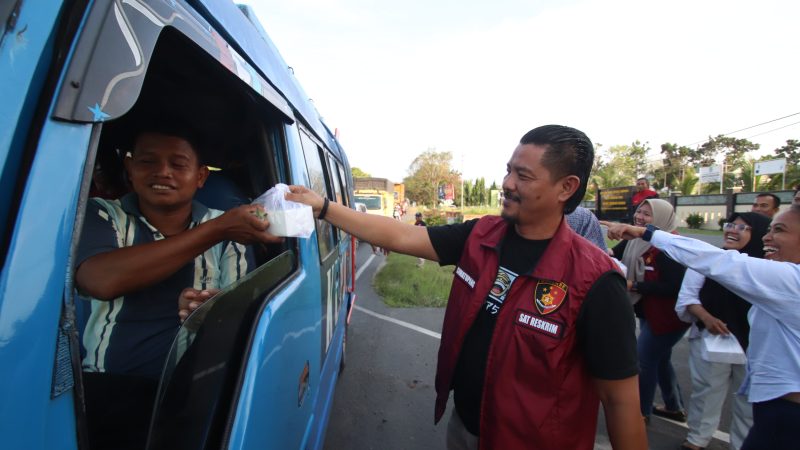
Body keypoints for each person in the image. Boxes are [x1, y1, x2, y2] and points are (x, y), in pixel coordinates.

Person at [287, 125, 647, 450]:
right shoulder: (480, 235)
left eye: (523, 175)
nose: (507, 183)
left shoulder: (595, 282)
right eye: (508, 170)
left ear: (566, 187)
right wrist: (322, 207)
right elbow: (399, 234)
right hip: (464, 430)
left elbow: (620, 402)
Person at [75, 123, 280, 450]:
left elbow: (241, 315)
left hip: (195, 387)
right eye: (147, 162)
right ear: (129, 168)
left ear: (201, 176)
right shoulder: (103, 215)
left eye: (178, 164)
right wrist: (217, 229)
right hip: (108, 384)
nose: (163, 172)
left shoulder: (232, 230)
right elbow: (99, 279)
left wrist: (212, 310)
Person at [602, 207, 800, 450]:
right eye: (768, 229)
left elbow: (716, 261)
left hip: (787, 413)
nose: (766, 237)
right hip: (775, 407)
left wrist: (648, 233)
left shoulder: (792, 281)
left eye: (779, 230)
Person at [675, 212, 770, 450]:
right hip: (713, 339)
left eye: (743, 227)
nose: (733, 230)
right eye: (730, 224)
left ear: (757, 234)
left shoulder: (768, 268)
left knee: (748, 400)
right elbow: (687, 297)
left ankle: (742, 444)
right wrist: (706, 317)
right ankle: (698, 437)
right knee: (706, 392)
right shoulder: (711, 260)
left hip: (754, 345)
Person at [610, 198, 688, 424]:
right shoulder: (636, 239)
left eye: (647, 214)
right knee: (660, 359)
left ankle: (641, 413)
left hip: (668, 317)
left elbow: (674, 286)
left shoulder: (670, 247)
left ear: (662, 219)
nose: (639, 217)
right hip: (648, 313)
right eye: (638, 212)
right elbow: (613, 254)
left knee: (644, 361)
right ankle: (674, 406)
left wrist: (634, 285)